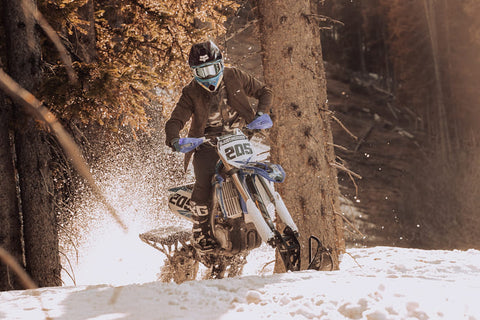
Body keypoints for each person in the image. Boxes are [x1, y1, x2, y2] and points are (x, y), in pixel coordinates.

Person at [165, 40, 273, 250]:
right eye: (201, 71)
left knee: (256, 171)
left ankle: (265, 213)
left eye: (212, 68)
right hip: (207, 143)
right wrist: (174, 139)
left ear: (221, 64)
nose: (208, 76)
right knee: (204, 180)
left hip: (240, 137)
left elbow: (265, 91)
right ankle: (201, 229)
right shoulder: (191, 91)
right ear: (194, 72)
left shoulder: (235, 76)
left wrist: (262, 113)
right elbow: (175, 120)